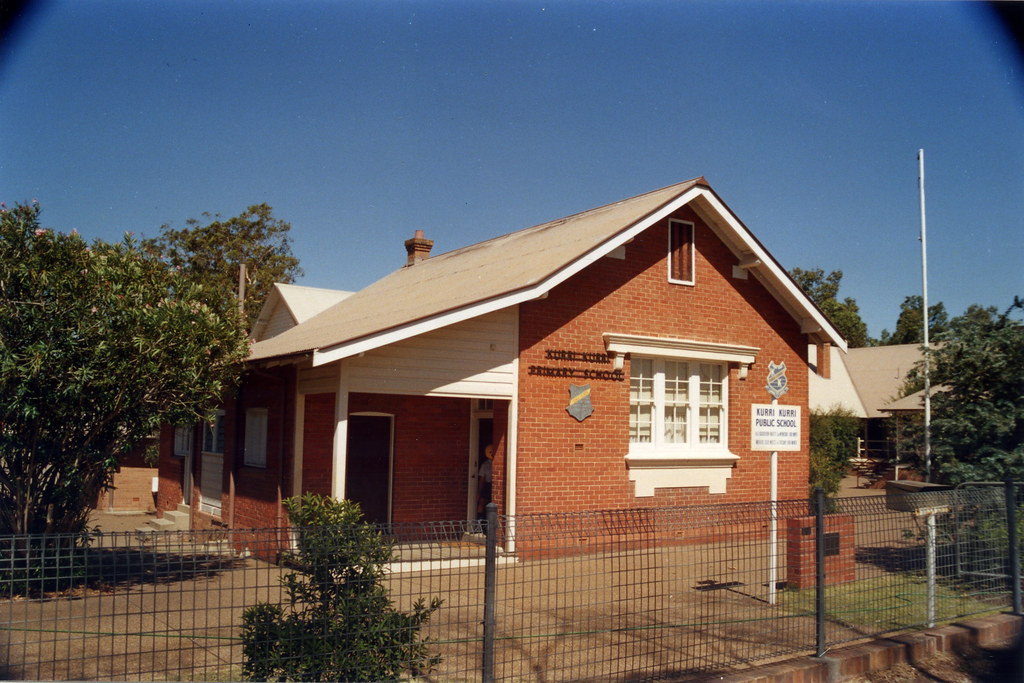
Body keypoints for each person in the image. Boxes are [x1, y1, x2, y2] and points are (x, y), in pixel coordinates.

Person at [477, 444, 493, 519]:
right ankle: (480, 523)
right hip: (487, 485)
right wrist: (479, 493)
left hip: (493, 485)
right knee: (482, 503)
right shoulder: (485, 465)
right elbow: (482, 480)